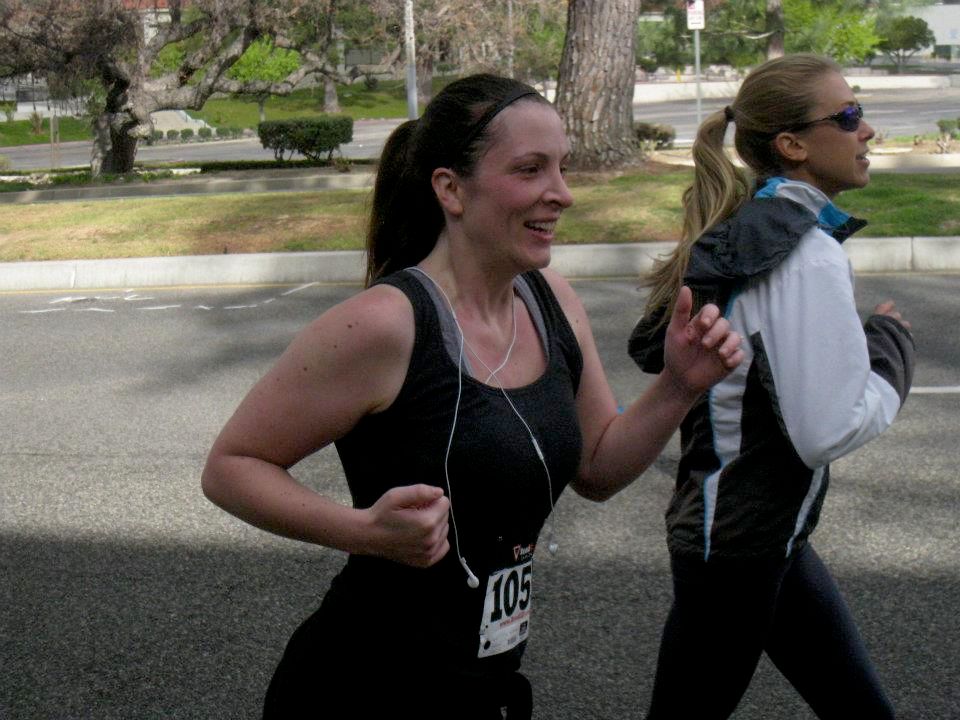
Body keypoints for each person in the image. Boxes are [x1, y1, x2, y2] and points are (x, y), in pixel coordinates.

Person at [201, 73, 741, 719]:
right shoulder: (388, 324)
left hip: (484, 684)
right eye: (530, 169)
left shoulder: (550, 302)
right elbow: (232, 467)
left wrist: (679, 387)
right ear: (451, 189)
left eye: (562, 168)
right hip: (365, 686)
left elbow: (597, 469)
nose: (561, 193)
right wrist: (364, 531)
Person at [628, 54, 915, 719]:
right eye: (848, 117)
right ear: (792, 146)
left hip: (763, 535)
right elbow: (826, 429)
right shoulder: (801, 252)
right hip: (735, 550)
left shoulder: (770, 230)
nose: (866, 129)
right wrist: (892, 355)